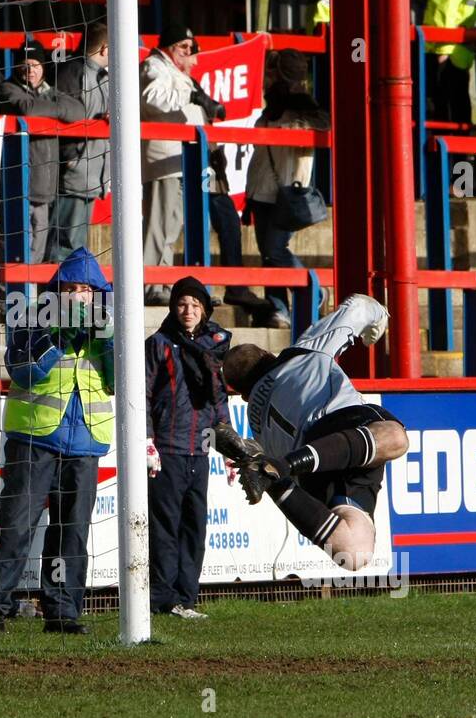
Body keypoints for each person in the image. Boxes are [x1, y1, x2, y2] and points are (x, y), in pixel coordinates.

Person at [0, 247, 115, 636]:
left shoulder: (110, 326)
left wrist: (109, 341)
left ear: (98, 292)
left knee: (71, 531)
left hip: (84, 441)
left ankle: (61, 610)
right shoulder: (31, 319)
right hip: (34, 436)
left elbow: (120, 381)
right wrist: (60, 337)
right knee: (16, 524)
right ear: (57, 290)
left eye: (86, 288)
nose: (78, 295)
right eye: (71, 287)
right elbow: (23, 372)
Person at [217, 294, 407, 571]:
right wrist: (376, 323)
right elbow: (359, 306)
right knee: (395, 437)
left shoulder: (255, 422)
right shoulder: (301, 352)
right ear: (269, 355)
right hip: (341, 424)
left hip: (315, 470)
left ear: (243, 394)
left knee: (354, 553)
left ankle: (273, 479)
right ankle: (276, 470)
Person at [145, 276, 231, 619]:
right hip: (167, 450)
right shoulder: (158, 344)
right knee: (164, 527)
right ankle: (163, 599)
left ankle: (187, 597)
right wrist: (147, 439)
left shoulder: (214, 347)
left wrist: (229, 446)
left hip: (201, 450)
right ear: (173, 307)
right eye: (182, 303)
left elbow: (219, 400)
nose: (188, 310)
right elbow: (143, 393)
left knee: (195, 528)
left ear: (205, 310)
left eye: (195, 305)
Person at [244, 50, 328, 329]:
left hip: (286, 191)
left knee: (275, 248)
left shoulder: (305, 107)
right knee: (269, 253)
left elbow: (320, 126)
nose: (266, 79)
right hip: (261, 189)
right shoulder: (271, 107)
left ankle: (312, 288)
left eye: (271, 73)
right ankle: (278, 309)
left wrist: (290, 126)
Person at [187, 41, 269, 317]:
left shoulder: (188, 80)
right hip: (182, 165)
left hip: (207, 164)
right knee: (177, 229)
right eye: (188, 53)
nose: (194, 61)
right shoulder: (162, 75)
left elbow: (218, 111)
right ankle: (192, 289)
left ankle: (234, 285)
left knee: (228, 221)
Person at [0, 40, 85, 264]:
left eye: (35, 65)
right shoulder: (8, 88)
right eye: (25, 65)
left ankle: (28, 297)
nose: (30, 71)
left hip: (45, 190)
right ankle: (8, 297)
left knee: (37, 252)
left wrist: (49, 109)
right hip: (18, 188)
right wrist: (56, 111)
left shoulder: (49, 92)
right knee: (16, 250)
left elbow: (78, 110)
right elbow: (27, 108)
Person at [141, 23, 206, 305]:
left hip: (180, 160)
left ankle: (162, 283)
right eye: (185, 47)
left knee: (171, 228)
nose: (190, 53)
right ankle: (144, 284)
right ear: (170, 48)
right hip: (162, 158)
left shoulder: (177, 73)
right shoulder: (154, 66)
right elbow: (152, 99)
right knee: (157, 226)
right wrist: (190, 95)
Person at [50, 23, 110, 262]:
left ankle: (70, 298)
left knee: (75, 247)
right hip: (74, 174)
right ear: (105, 48)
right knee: (64, 246)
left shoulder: (101, 77)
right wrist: (71, 161)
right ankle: (56, 299)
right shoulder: (73, 74)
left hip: (89, 176)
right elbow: (60, 118)